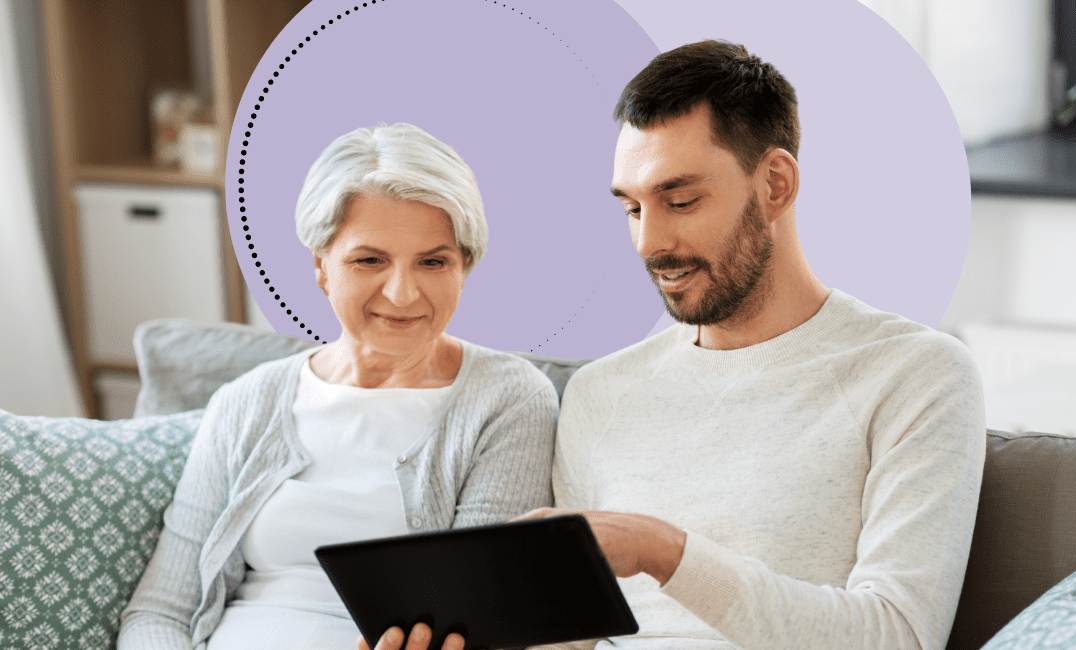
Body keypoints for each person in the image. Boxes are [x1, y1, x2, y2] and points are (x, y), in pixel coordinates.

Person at [372, 40, 985, 650]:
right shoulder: (600, 393)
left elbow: (900, 636)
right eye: (633, 208)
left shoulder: (913, 375)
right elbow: (569, 638)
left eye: (681, 200)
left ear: (775, 184)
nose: (649, 242)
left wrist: (661, 551)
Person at [117, 123, 559, 650]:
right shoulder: (246, 402)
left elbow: (479, 620)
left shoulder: (509, 399)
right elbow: (159, 612)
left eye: (433, 261)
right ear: (322, 266)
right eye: (369, 260)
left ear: (464, 267)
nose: (401, 293)